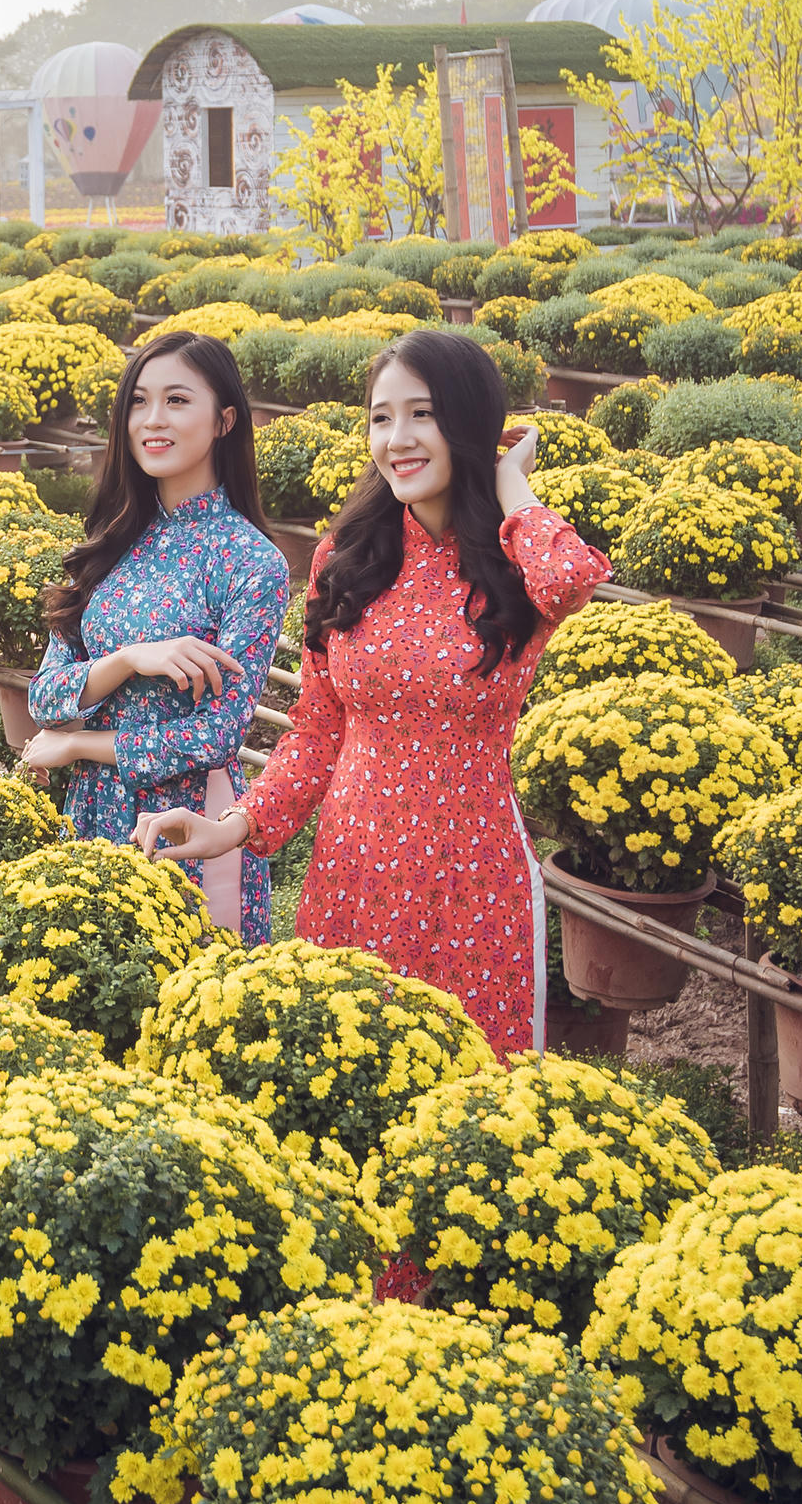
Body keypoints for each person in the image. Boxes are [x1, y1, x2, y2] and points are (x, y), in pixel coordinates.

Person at [137, 328, 605, 1052]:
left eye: (423, 414)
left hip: (473, 886)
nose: (397, 439)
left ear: (469, 423)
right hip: (350, 876)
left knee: (475, 1091)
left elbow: (570, 579)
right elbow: (318, 731)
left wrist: (511, 481)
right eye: (381, 417)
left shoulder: (514, 562)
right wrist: (230, 827)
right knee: (338, 1079)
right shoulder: (347, 558)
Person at [13, 329, 292, 935]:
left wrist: (80, 746)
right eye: (139, 401)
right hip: (92, 816)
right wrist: (129, 658)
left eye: (177, 400)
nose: (153, 419)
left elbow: (215, 736)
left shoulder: (251, 562)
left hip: (186, 828)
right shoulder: (111, 543)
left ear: (224, 422)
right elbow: (45, 697)